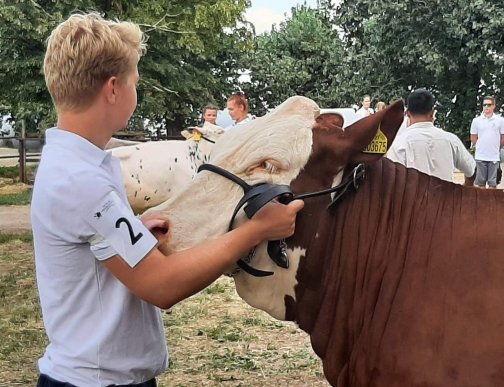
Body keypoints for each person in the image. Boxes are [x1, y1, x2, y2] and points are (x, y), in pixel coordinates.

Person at [33, 13, 303, 387]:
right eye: (134, 83)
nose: (135, 92)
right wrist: (258, 229)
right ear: (113, 89)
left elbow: (91, 244)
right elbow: (162, 286)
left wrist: (134, 233)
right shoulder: (81, 181)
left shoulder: (73, 163)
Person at [387, 89, 476, 184]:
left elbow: (393, 182)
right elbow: (472, 171)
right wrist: (465, 188)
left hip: (414, 198)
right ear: (432, 113)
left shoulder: (399, 143)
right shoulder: (450, 140)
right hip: (446, 197)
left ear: (407, 113)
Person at [469, 96, 504, 188]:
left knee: (492, 184)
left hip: (494, 156)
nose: (486, 107)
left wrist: (497, 147)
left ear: (494, 106)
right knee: (480, 183)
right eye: (484, 105)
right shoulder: (476, 121)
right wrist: (479, 146)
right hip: (480, 156)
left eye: (489, 105)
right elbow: (473, 137)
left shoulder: (500, 120)